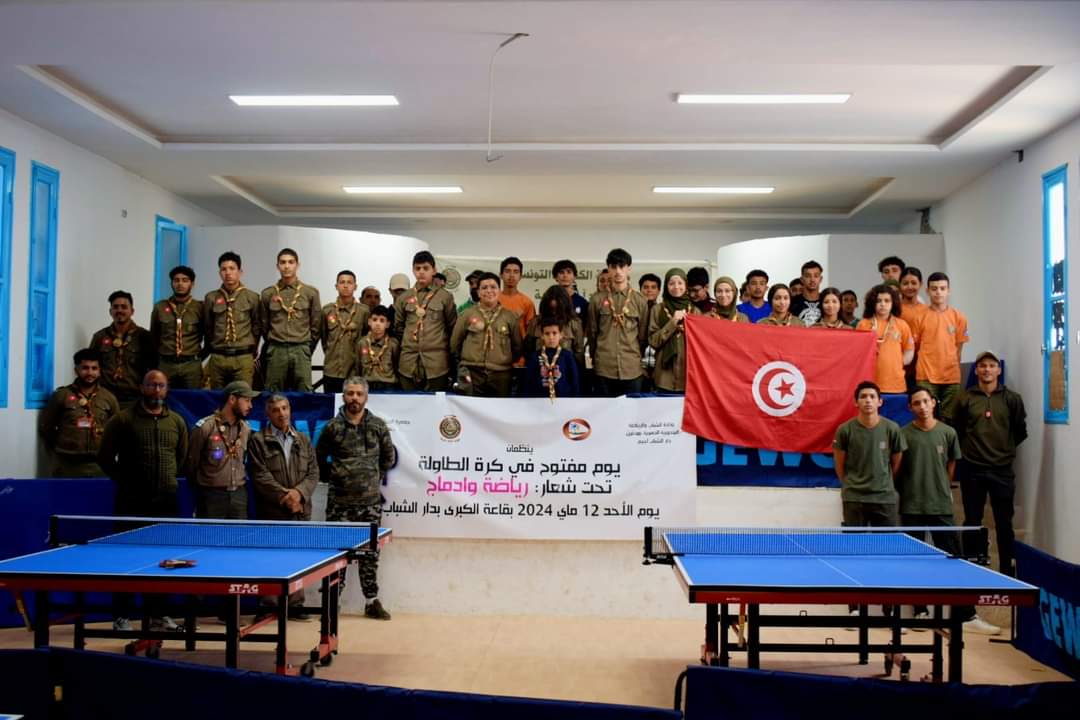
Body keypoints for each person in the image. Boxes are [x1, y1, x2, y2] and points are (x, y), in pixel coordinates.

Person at [897, 388, 998, 634]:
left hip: (940, 507)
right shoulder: (902, 434)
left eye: (926, 401)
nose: (922, 406)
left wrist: (939, 489)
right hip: (912, 507)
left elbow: (950, 467)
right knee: (913, 563)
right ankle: (919, 612)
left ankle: (966, 614)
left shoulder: (948, 433)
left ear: (934, 403)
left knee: (954, 562)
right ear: (910, 407)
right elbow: (897, 469)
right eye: (916, 403)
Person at [98, 370, 189, 631]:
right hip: (131, 502)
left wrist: (166, 480)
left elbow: (181, 459)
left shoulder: (177, 422)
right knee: (126, 559)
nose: (156, 390)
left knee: (164, 560)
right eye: (151, 385)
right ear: (142, 387)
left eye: (161, 385)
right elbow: (104, 457)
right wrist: (126, 482)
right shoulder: (123, 420)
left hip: (166, 502)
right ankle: (122, 615)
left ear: (167, 389)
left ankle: (159, 614)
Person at [315, 377, 396, 620]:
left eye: (359, 394)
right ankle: (332, 603)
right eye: (350, 393)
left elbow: (388, 459)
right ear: (343, 396)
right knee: (336, 556)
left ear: (366, 397)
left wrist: (370, 477)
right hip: (339, 504)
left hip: (370, 504)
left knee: (370, 555)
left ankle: (371, 602)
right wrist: (339, 478)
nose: (354, 398)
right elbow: (319, 459)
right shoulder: (332, 427)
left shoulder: (378, 426)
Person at [833, 381, 906, 616]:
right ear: (856, 402)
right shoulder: (845, 430)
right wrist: (852, 485)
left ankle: (889, 607)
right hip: (854, 498)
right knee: (853, 554)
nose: (867, 400)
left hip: (885, 499)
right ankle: (855, 607)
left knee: (887, 554)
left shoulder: (892, 429)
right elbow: (840, 466)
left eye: (872, 396)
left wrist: (882, 483)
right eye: (863, 396)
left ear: (880, 401)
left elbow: (896, 463)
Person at [952, 351, 1027, 578]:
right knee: (973, 520)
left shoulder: (1012, 399)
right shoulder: (964, 398)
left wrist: (1003, 451)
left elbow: (1020, 432)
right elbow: (956, 429)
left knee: (1004, 522)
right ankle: (973, 567)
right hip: (972, 469)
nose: (987, 370)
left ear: (998, 370)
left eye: (991, 366)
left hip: (1002, 469)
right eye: (982, 366)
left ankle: (1006, 570)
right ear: (976, 370)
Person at [248, 394, 320, 619]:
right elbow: (260, 476)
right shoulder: (258, 441)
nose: (282, 414)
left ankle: (296, 604)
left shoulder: (303, 439)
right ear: (267, 414)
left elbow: (314, 472)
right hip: (272, 511)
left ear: (290, 410)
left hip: (300, 510)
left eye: (285, 408)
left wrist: (299, 494)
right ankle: (268, 604)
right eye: (276, 410)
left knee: (297, 558)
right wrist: (286, 497)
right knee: (269, 558)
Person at [39, 348, 119, 477]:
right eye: (85, 368)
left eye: (94, 368)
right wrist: (60, 447)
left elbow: (117, 430)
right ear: (76, 370)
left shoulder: (109, 398)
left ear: (100, 371)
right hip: (67, 465)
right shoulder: (61, 396)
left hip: (99, 466)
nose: (90, 373)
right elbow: (46, 427)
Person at [187, 380, 258, 519]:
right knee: (211, 539)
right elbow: (191, 465)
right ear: (232, 399)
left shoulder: (246, 429)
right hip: (211, 496)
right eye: (247, 400)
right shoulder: (205, 428)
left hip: (239, 496)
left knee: (238, 539)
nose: (251, 406)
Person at [588, 248, 649, 397]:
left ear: (629, 269)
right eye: (614, 267)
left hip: (631, 369)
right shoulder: (597, 300)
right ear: (608, 269)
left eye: (622, 267)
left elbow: (642, 337)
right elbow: (592, 334)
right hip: (604, 368)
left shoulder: (640, 301)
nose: (618, 271)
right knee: (603, 417)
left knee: (630, 417)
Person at [393, 251, 457, 391]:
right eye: (418, 268)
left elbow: (451, 328)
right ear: (413, 270)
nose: (421, 272)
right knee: (409, 406)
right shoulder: (404, 298)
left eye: (426, 268)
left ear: (434, 270)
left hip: (436, 363)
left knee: (435, 407)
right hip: (408, 362)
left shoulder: (444, 297)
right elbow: (398, 328)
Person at [451, 272, 523, 397]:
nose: (489, 291)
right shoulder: (466, 315)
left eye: (493, 287)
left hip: (501, 375)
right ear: (478, 292)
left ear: (499, 291)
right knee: (470, 411)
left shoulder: (509, 317)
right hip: (472, 373)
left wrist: (502, 360)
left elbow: (517, 347)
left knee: (498, 412)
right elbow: (454, 344)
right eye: (484, 288)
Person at [261, 248, 321, 392]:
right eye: (282, 263)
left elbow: (316, 325)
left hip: (301, 348)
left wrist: (306, 348)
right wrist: (273, 344)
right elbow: (264, 324)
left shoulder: (310, 293)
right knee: (273, 393)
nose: (286, 266)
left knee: (304, 392)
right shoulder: (268, 293)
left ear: (297, 265)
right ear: (277, 266)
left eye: (290, 262)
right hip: (277, 349)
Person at [915, 272, 969, 423]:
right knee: (926, 417)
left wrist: (954, 368)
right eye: (934, 288)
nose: (938, 292)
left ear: (948, 290)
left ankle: (945, 447)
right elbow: (916, 346)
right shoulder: (919, 316)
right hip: (926, 375)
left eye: (942, 288)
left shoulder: (959, 317)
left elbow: (959, 348)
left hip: (951, 376)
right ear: (927, 291)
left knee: (948, 419)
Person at [203, 251, 262, 388]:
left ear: (240, 272)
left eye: (232, 268)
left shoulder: (252, 297)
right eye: (224, 269)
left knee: (243, 396)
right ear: (219, 273)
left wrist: (253, 350)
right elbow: (208, 326)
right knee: (217, 397)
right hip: (218, 357)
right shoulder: (211, 298)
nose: (228, 273)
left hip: (243, 356)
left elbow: (257, 326)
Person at [89, 291, 154, 409]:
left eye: (124, 307)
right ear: (110, 311)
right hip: (105, 399)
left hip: (134, 399)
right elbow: (91, 365)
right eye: (115, 307)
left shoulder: (144, 337)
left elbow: (153, 367)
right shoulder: (100, 337)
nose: (119, 310)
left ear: (132, 311)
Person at [150, 265, 204, 389]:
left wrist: (197, 358)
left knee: (192, 400)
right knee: (164, 399)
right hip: (166, 364)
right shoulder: (160, 307)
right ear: (172, 283)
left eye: (185, 280)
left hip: (191, 364)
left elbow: (208, 335)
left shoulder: (200, 307)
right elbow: (154, 337)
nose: (180, 284)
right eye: (176, 280)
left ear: (192, 284)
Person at [856, 284, 914, 394]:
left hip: (896, 384)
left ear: (893, 303)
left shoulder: (902, 325)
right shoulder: (863, 324)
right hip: (870, 383)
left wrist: (898, 362)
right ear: (872, 303)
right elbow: (857, 352)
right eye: (879, 301)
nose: (883, 304)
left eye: (887, 301)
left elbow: (909, 350)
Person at [649, 268, 698, 393]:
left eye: (680, 283)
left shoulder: (695, 311)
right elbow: (653, 341)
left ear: (686, 286)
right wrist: (673, 322)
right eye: (671, 283)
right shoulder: (657, 309)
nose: (676, 287)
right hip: (664, 376)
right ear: (666, 286)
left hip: (689, 375)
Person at [321, 270, 370, 394]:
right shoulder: (327, 310)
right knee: (331, 407)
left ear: (355, 286)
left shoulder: (363, 311)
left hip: (354, 371)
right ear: (336, 286)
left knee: (354, 406)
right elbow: (324, 338)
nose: (346, 285)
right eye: (342, 282)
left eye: (349, 282)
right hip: (331, 370)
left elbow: (366, 338)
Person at [525, 285, 586, 373]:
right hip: (539, 372)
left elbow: (579, 354)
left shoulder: (574, 323)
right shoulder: (535, 323)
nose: (554, 313)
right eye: (551, 309)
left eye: (558, 309)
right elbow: (528, 350)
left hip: (565, 373)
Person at [498, 256, 536, 390]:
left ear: (521, 276)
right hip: (496, 361)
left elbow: (530, 336)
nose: (511, 275)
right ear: (501, 274)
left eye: (516, 272)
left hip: (519, 362)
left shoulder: (527, 303)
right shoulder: (493, 300)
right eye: (507, 271)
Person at [524, 319, 581, 399]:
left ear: (561, 335)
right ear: (542, 336)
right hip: (539, 401)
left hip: (563, 400)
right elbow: (528, 382)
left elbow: (574, 381)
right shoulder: (535, 356)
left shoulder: (568, 356)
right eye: (547, 334)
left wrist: (575, 401)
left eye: (554, 333)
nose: (551, 337)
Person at [357, 306, 399, 392]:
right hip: (367, 385)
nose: (377, 324)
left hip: (388, 386)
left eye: (382, 320)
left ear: (387, 324)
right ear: (369, 322)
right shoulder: (362, 343)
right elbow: (358, 367)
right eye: (374, 319)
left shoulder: (393, 344)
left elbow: (396, 366)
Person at [553, 259, 589, 324]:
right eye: (561, 272)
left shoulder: (583, 303)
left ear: (574, 277)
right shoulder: (550, 300)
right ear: (555, 277)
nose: (565, 276)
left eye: (569, 272)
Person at [790, 260, 824, 326]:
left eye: (816, 276)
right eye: (808, 276)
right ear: (802, 279)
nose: (812, 279)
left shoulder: (826, 301)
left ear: (821, 279)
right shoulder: (792, 302)